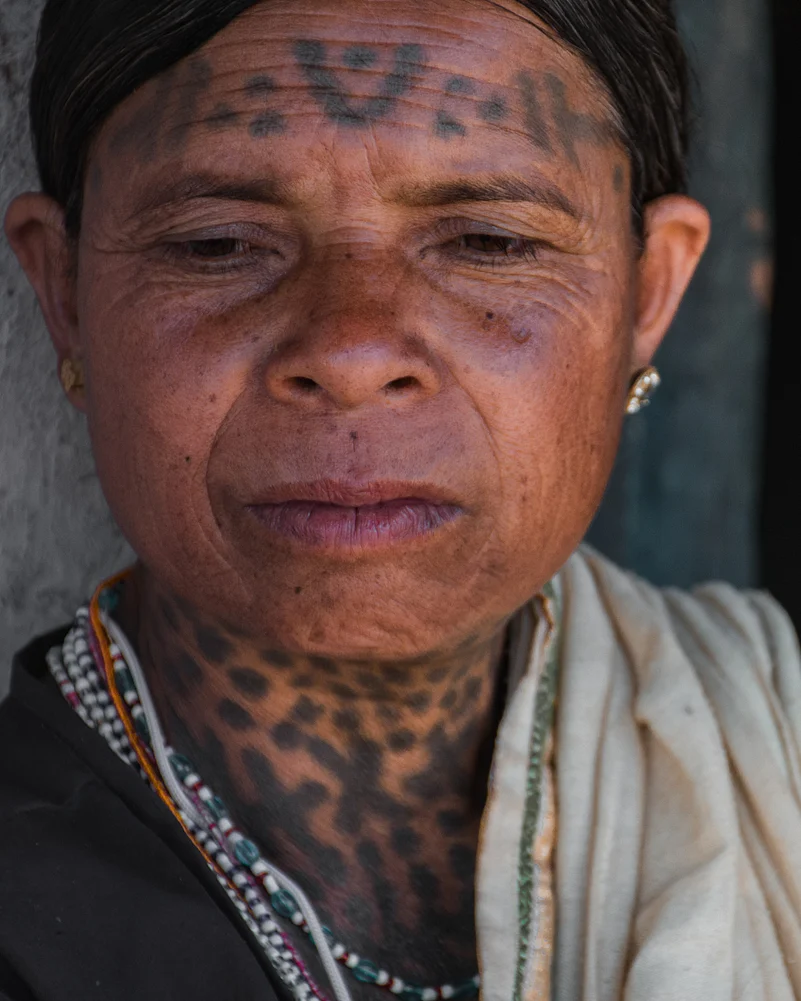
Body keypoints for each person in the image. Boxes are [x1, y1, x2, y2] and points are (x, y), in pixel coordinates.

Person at [1, 0, 799, 998]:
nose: (351, 350)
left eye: (489, 241)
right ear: (64, 288)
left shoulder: (775, 756)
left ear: (648, 293)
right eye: (217, 243)